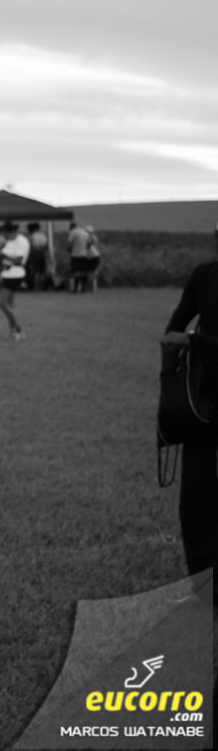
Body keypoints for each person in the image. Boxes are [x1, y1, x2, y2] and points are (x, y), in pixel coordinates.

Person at [162, 220, 217, 576]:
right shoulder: (204, 275)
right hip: (204, 400)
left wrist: (193, 341)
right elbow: (176, 324)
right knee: (195, 502)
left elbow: (184, 335)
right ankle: (204, 587)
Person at [0, 221, 29, 339]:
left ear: (11, 232)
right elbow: (5, 256)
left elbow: (19, 260)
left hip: (15, 275)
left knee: (2, 303)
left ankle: (18, 328)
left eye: (5, 234)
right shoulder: (10, 241)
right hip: (8, 273)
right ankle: (14, 331)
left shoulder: (22, 242)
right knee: (9, 304)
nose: (4, 236)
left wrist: (3, 256)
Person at [66, 222, 92, 293]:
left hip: (75, 255)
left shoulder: (72, 232)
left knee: (76, 271)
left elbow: (69, 244)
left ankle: (75, 288)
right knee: (83, 271)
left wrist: (69, 250)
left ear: (71, 227)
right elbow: (89, 245)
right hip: (84, 255)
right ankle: (83, 288)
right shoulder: (85, 233)